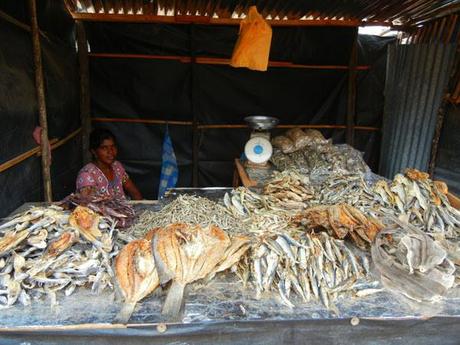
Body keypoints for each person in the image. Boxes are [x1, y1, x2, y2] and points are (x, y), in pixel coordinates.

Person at [76, 128, 142, 200]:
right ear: (94, 151)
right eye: (104, 148)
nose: (110, 152)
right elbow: (86, 207)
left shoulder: (117, 167)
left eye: (113, 147)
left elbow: (134, 192)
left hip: (123, 210)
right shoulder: (87, 175)